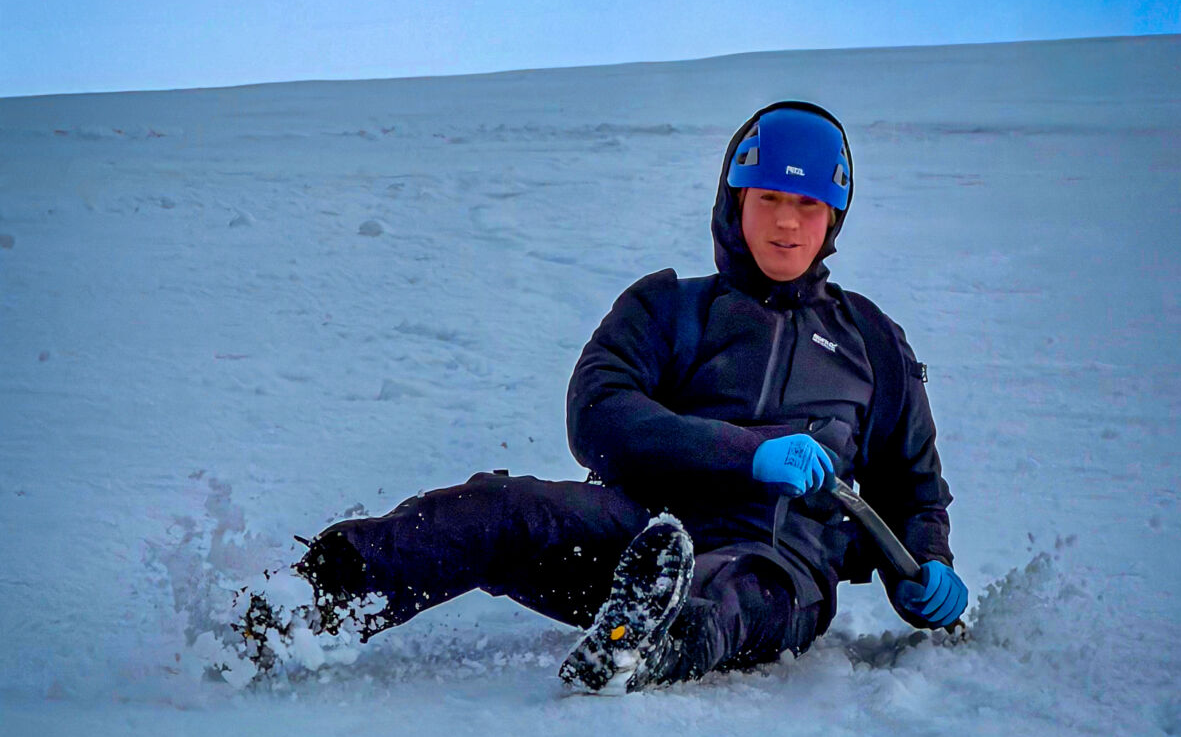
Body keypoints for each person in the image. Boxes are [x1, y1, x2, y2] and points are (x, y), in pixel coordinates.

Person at [238, 101, 967, 689]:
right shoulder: (667, 308)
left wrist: (928, 565)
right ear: (734, 200)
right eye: (770, 197)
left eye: (807, 205)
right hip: (638, 535)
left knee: (730, 588)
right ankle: (302, 604)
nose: (785, 222)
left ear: (833, 218)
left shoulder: (871, 341)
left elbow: (913, 486)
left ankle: (644, 643)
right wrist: (749, 455)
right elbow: (599, 417)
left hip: (776, 572)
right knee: (500, 509)